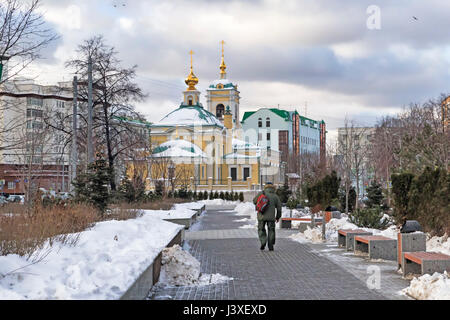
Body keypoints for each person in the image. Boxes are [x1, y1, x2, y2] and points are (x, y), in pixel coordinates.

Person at [253, 182, 282, 251]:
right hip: (271, 217)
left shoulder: (262, 193)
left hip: (261, 216)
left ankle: (263, 241)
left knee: (261, 229)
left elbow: (254, 201)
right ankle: (271, 245)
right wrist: (278, 217)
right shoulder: (275, 196)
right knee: (271, 230)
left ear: (265, 187)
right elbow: (279, 208)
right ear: (273, 187)